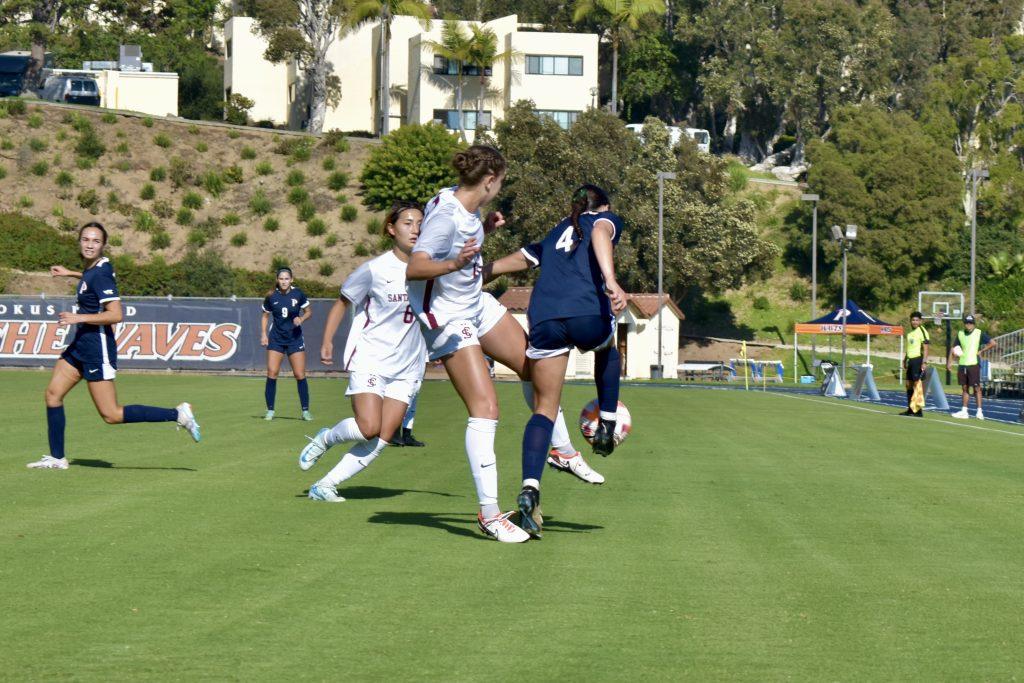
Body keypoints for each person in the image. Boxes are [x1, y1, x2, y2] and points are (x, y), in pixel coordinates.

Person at [406, 145, 598, 544]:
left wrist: (485, 232)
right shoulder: (446, 215)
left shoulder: (460, 205)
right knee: (486, 408)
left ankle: (558, 449)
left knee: (533, 365)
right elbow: (416, 266)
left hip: (473, 301)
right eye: (502, 182)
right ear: (490, 181)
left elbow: (458, 243)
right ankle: (489, 514)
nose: (500, 188)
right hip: (447, 317)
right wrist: (455, 264)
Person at [484, 184, 627, 537]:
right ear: (603, 206)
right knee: (607, 346)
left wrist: (477, 272)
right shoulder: (603, 219)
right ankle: (607, 422)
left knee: (544, 408)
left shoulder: (555, 232)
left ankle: (530, 486)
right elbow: (599, 232)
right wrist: (610, 281)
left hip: (544, 317)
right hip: (585, 311)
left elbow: (517, 259)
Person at [27, 222, 200, 470]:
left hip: (97, 348)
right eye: (85, 239)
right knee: (53, 395)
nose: (89, 244)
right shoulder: (95, 268)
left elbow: (116, 314)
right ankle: (57, 458)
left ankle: (179, 413)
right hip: (80, 345)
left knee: (111, 415)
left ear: (103, 245)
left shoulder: (101, 272)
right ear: (79, 241)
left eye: (95, 241)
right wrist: (70, 273)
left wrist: (78, 318)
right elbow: (90, 279)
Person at [298, 201, 426, 501]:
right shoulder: (375, 269)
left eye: (420, 222)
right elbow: (343, 301)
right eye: (407, 222)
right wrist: (328, 340)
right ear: (391, 229)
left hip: (408, 367)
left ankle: (324, 485)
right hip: (371, 358)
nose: (416, 228)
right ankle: (327, 438)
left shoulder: (431, 268)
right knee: (369, 427)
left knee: (383, 437)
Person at [260, 267, 312, 421]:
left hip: (294, 338)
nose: (284, 281)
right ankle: (270, 410)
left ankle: (305, 411)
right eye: (281, 279)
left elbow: (309, 311)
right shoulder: (271, 296)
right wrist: (263, 334)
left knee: (299, 374)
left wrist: (301, 319)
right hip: (276, 338)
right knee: (272, 372)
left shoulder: (298, 294)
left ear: (292, 280)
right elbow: (265, 316)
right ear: (277, 280)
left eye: (286, 278)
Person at [947, 314, 997, 420]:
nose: (968, 325)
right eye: (967, 323)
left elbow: (993, 343)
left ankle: (979, 412)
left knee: (977, 388)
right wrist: (949, 362)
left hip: (974, 364)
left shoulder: (979, 333)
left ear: (973, 324)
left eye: (970, 323)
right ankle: (964, 411)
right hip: (962, 364)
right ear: (964, 323)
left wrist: (981, 351)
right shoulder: (960, 333)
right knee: (964, 388)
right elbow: (953, 348)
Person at [900, 311, 930, 417]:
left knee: (917, 385)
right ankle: (910, 409)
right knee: (908, 385)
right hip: (910, 361)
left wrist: (924, 362)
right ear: (910, 321)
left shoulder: (922, 331)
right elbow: (909, 349)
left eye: (917, 320)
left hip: (918, 360)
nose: (915, 322)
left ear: (920, 321)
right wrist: (904, 360)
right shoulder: (910, 334)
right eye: (913, 320)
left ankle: (918, 411)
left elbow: (926, 348)